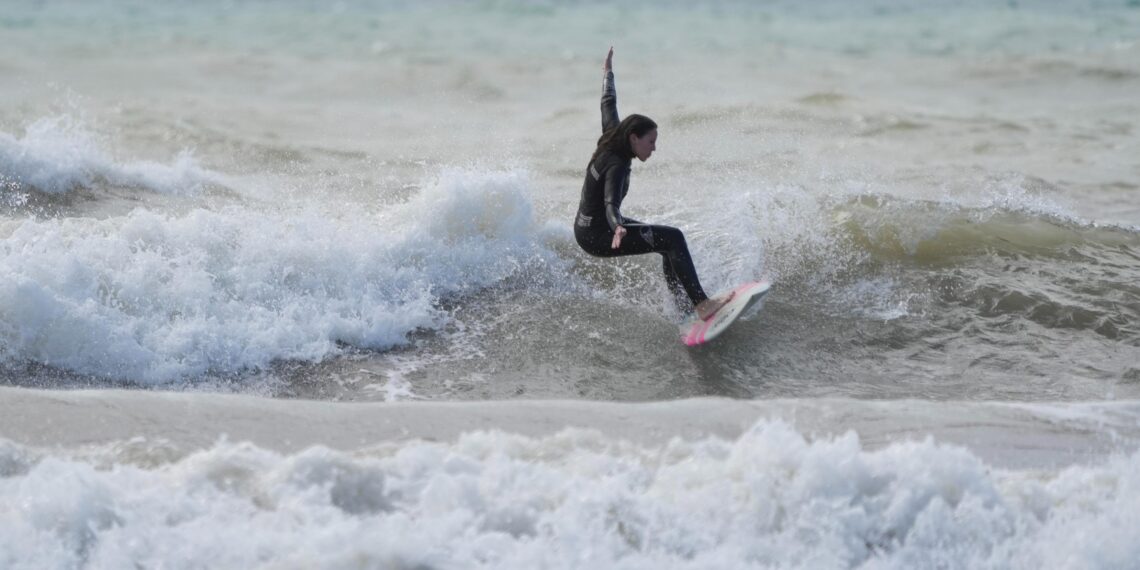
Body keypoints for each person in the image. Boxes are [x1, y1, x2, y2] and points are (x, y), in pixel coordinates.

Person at [574, 47, 732, 320]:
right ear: (634, 138)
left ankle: (684, 308)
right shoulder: (618, 164)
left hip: (588, 227)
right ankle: (701, 304)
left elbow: (607, 102)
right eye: (651, 141)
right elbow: (611, 202)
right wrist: (618, 226)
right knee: (674, 237)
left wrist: (608, 72)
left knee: (666, 244)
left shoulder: (614, 135)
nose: (654, 148)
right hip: (601, 235)